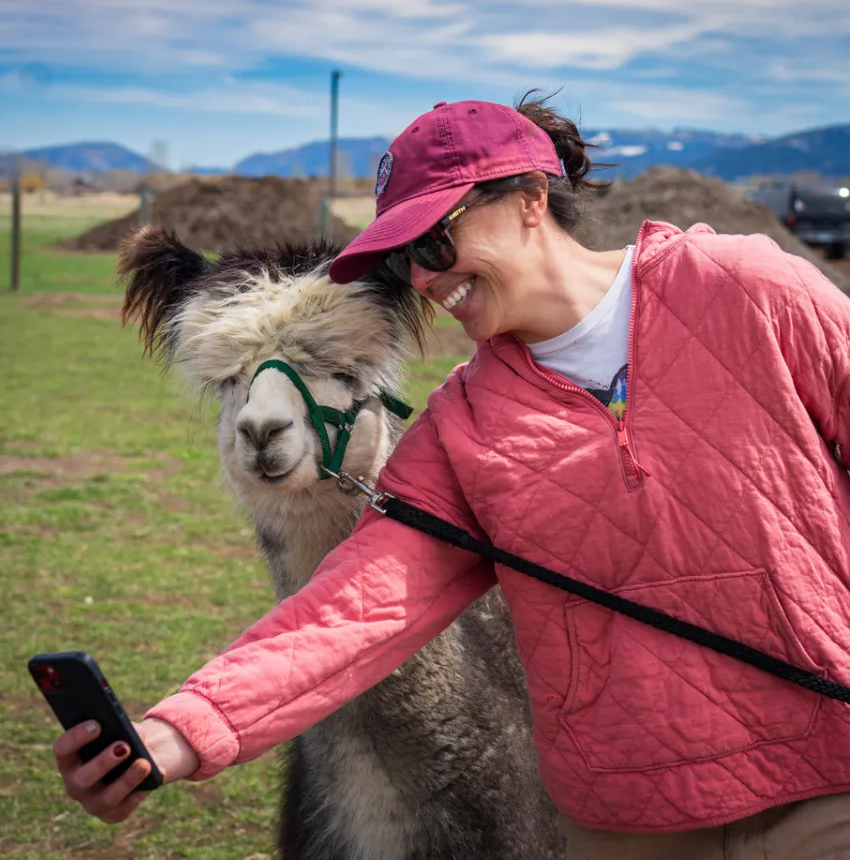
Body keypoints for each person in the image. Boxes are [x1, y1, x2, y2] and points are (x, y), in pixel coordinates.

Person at [51, 93, 850, 859]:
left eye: (435, 243)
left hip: (829, 786)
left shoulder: (746, 291)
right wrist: (177, 732)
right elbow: (353, 610)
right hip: (632, 823)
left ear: (532, 198)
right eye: (406, 260)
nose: (427, 280)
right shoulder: (467, 427)